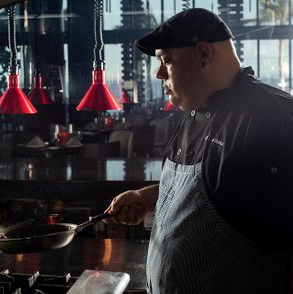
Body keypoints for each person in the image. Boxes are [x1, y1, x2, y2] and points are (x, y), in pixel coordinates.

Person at [104, 8, 293, 294]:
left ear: (203, 54)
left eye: (166, 60)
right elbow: (214, 187)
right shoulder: (196, 110)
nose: (157, 73)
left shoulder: (269, 118)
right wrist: (146, 197)